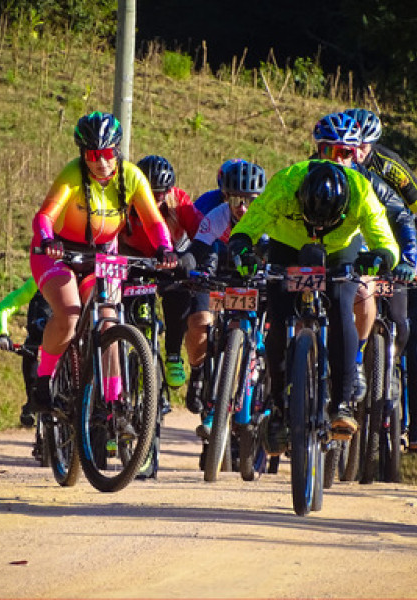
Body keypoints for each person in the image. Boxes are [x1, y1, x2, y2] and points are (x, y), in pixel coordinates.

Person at [228, 160, 399, 449]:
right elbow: (248, 227)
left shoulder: (361, 191)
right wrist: (242, 249)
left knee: (342, 306)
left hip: (340, 248)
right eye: (312, 219)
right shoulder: (284, 186)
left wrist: (380, 257)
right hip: (288, 245)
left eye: (325, 221)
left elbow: (385, 241)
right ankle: (280, 405)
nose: (317, 228)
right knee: (279, 317)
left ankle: (342, 403)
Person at [29, 111, 176, 414]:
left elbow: (154, 222)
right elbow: (45, 216)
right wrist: (47, 240)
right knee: (69, 314)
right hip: (59, 253)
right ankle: (43, 380)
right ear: (83, 154)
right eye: (93, 154)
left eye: (108, 153)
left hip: (101, 255)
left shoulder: (132, 176)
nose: (101, 162)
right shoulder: (73, 174)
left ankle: (113, 402)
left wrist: (165, 249)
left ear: (117, 151)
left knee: (109, 320)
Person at [347, 107, 417, 451]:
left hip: (401, 247)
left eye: (362, 146)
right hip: (358, 245)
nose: (354, 153)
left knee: (408, 340)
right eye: (349, 146)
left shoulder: (389, 167)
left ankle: (414, 428)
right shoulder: (332, 159)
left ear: (373, 144)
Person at [313, 113, 417, 418]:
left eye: (345, 152)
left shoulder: (369, 180)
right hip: (315, 254)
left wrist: (409, 258)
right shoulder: (304, 173)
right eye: (328, 151)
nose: (337, 158)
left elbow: (402, 216)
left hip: (359, 255)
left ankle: (357, 359)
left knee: (363, 292)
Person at [181, 159, 266, 460]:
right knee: (201, 322)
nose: (243, 209)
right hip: (220, 269)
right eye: (236, 201)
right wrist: (185, 265)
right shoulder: (215, 212)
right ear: (225, 197)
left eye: (250, 202)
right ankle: (202, 375)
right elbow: (198, 249)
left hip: (257, 272)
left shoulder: (270, 217)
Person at [120, 154, 203, 389]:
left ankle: (174, 355)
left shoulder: (179, 202)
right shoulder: (123, 201)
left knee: (179, 293)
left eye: (161, 194)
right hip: (134, 258)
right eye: (150, 193)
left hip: (170, 258)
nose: (156, 200)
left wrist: (188, 259)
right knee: (125, 301)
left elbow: (202, 237)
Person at [0, 277, 51, 427]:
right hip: (36, 342)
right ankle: (31, 401)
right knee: (30, 360)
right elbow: (4, 307)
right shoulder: (37, 282)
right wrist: (2, 334)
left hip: (65, 343)